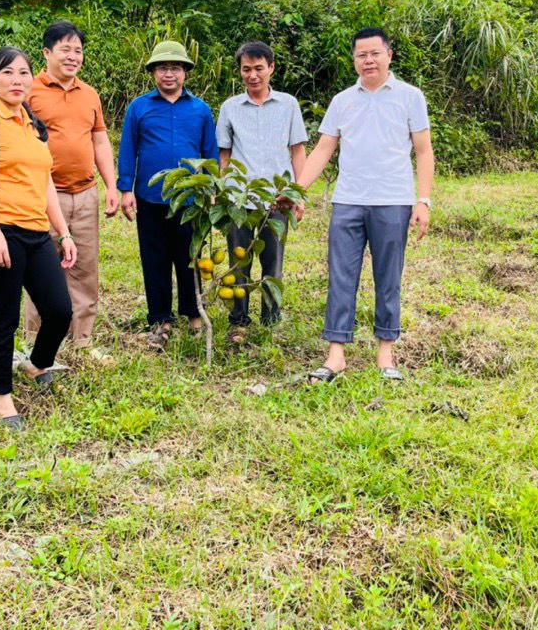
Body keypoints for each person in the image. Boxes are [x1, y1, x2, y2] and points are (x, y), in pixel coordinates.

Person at [292, 27, 434, 383]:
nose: (368, 60)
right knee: (341, 277)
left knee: (388, 279)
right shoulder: (343, 100)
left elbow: (423, 151)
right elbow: (324, 148)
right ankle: (335, 355)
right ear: (353, 60)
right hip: (348, 201)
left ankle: (385, 355)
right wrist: (296, 190)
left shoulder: (410, 97)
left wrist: (423, 200)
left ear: (389, 55)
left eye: (374, 53)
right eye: (361, 55)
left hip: (393, 201)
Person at [0, 47, 78, 430]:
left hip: (36, 232)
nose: (16, 81)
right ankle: (1, 399)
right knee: (4, 316)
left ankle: (37, 365)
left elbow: (44, 184)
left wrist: (64, 232)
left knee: (59, 310)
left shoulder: (31, 122)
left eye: (23, 74)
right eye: (7, 73)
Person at [117, 40, 219, 349]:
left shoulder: (200, 110)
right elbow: (128, 149)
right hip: (150, 199)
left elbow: (209, 153)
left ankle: (194, 315)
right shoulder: (139, 107)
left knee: (189, 258)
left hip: (189, 201)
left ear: (185, 72)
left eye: (175, 68)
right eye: (163, 68)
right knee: (155, 260)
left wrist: (211, 188)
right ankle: (160, 320)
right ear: (153, 73)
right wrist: (125, 189)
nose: (169, 74)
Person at [23, 21, 118, 350]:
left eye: (78, 51)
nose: (73, 56)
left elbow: (101, 141)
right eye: (65, 49)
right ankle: (36, 342)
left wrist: (111, 186)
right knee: (42, 271)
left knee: (83, 270)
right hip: (42, 196)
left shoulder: (89, 94)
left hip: (85, 194)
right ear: (46, 53)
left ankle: (82, 341)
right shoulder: (28, 92)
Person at [216, 41, 308, 342]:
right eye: (246, 69)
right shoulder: (230, 107)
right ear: (240, 71)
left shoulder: (288, 105)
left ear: (271, 68)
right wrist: (223, 189)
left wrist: (298, 194)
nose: (252, 75)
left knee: (273, 263)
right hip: (240, 200)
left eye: (258, 68)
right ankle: (238, 319)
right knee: (238, 260)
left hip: (277, 199)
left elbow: (297, 151)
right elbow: (225, 155)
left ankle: (271, 319)